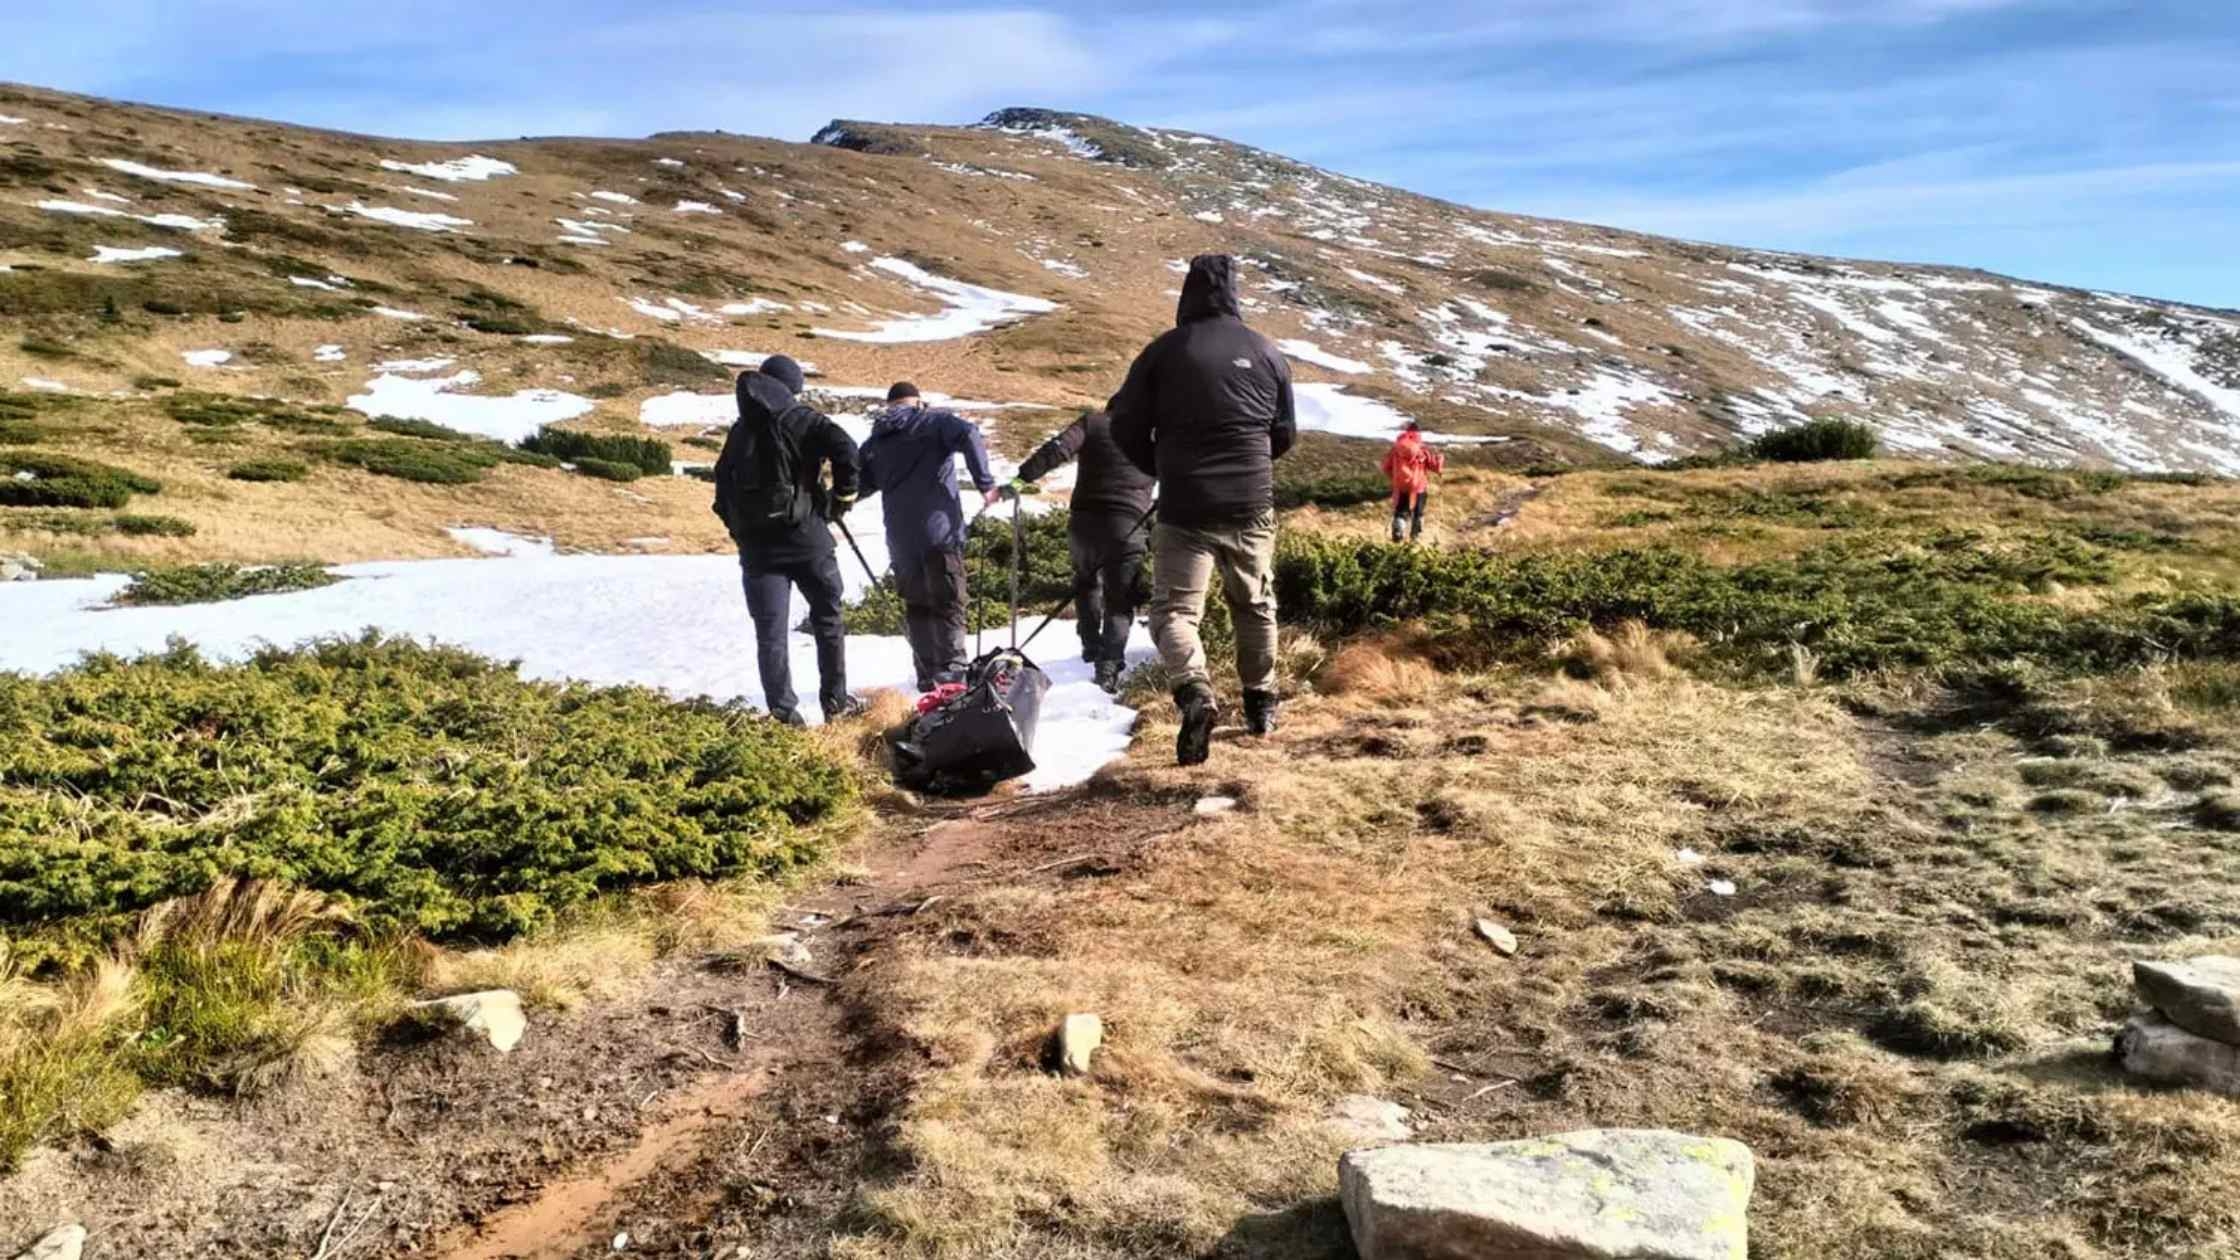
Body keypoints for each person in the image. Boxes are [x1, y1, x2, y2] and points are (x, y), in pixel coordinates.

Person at [1111, 254, 1296, 766]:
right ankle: (1261, 704)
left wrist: (1161, 467)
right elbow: (1284, 434)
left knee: (1174, 611)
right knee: (1255, 604)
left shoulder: (1163, 352)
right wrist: (1250, 465)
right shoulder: (1266, 351)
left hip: (1184, 505)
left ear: (1186, 295)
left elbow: (1123, 424)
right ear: (1234, 293)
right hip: (1251, 501)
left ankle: (1195, 692)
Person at [711, 354, 865, 726]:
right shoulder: (803, 419)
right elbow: (846, 449)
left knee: (771, 635)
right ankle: (836, 705)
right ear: (791, 388)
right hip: (809, 542)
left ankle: (784, 717)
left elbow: (720, 489)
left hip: (758, 554)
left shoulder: (740, 430)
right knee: (828, 620)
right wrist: (842, 500)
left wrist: (742, 534)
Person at [859, 381, 1001, 691]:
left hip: (900, 538)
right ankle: (953, 669)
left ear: (889, 405)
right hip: (940, 533)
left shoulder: (875, 441)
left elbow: (861, 485)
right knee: (949, 599)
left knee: (917, 604)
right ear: (917, 402)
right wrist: (986, 484)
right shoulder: (933, 422)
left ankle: (926, 673)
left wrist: (828, 503)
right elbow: (969, 434)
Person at [1016, 406, 1157, 693]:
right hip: (1128, 526)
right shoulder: (1155, 434)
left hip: (1083, 524)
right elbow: (1183, 472)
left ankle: (1091, 646)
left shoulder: (1093, 424)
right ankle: (1108, 666)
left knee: (1085, 582)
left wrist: (1021, 479)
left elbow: (1057, 450)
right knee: (1119, 600)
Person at [1382, 419, 1445, 543]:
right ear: (1418, 433)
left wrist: (1395, 478)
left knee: (1401, 510)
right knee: (1418, 512)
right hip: (1418, 486)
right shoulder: (1422, 450)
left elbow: (1385, 467)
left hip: (1400, 486)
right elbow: (1436, 467)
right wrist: (1440, 458)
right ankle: (1415, 538)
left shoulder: (1396, 449)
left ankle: (1399, 530)